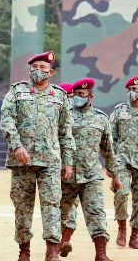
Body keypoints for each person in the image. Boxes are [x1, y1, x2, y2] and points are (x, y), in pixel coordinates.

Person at [0, 51, 75, 261]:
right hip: (21, 161)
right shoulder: (16, 92)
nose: (38, 70)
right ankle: (24, 251)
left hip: (50, 161)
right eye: (34, 67)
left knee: (51, 206)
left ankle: (52, 251)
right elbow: (7, 120)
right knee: (22, 208)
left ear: (51, 72)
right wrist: (17, 146)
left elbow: (65, 131)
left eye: (43, 67)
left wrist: (68, 162)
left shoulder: (60, 96)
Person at [59, 78, 120, 261]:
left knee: (96, 213)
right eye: (75, 94)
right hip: (66, 175)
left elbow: (108, 149)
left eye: (81, 94)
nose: (77, 97)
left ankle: (101, 254)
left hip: (91, 175)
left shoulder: (101, 118)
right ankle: (57, 246)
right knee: (59, 213)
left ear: (90, 96)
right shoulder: (64, 115)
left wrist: (115, 175)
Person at [109, 75, 138, 249]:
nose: (131, 92)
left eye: (134, 89)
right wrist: (111, 163)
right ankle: (121, 228)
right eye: (128, 90)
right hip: (123, 159)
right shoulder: (119, 111)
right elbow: (111, 137)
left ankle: (134, 235)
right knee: (121, 193)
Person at [57, 83, 80, 258]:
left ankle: (64, 240)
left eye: (71, 96)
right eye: (67, 96)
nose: (70, 100)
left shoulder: (79, 116)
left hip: (73, 167)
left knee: (73, 204)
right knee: (56, 205)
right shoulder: (53, 114)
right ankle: (55, 239)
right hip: (53, 165)